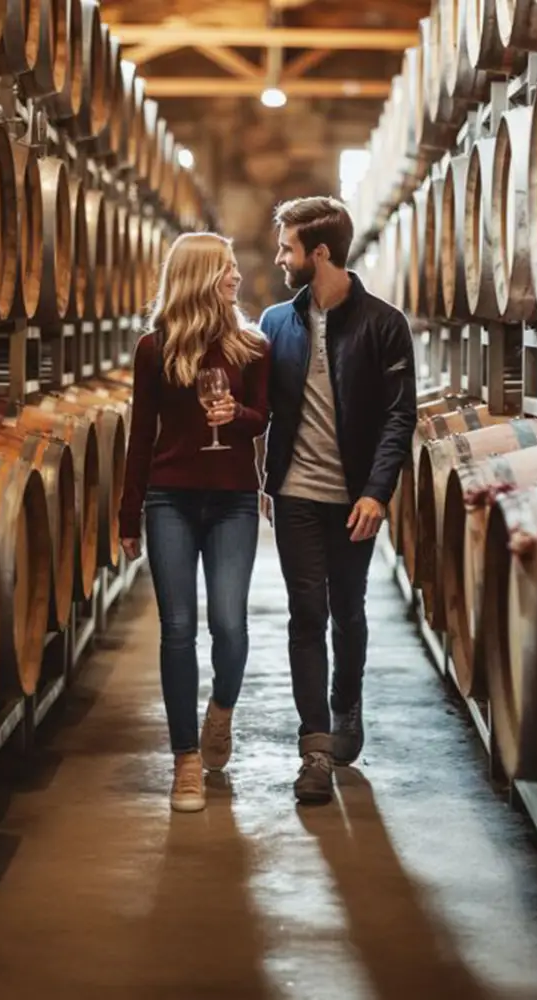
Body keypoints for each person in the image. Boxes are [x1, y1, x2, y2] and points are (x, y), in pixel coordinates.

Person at [259, 196, 417, 805]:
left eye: (287, 248)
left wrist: (378, 492)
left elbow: (398, 418)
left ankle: (346, 703)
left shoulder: (383, 323)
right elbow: (261, 406)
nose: (279, 258)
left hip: (353, 499)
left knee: (348, 611)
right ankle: (315, 747)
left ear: (318, 254)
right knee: (306, 615)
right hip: (296, 493)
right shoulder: (276, 322)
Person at [119, 232, 271, 814]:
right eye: (227, 268)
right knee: (177, 629)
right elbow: (142, 437)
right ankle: (185, 758)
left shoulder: (252, 347)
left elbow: (263, 421)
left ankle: (222, 709)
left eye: (235, 266)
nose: (237, 276)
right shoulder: (154, 349)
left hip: (233, 497)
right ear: (200, 276)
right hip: (170, 500)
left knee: (229, 625)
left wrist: (236, 418)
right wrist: (128, 512)